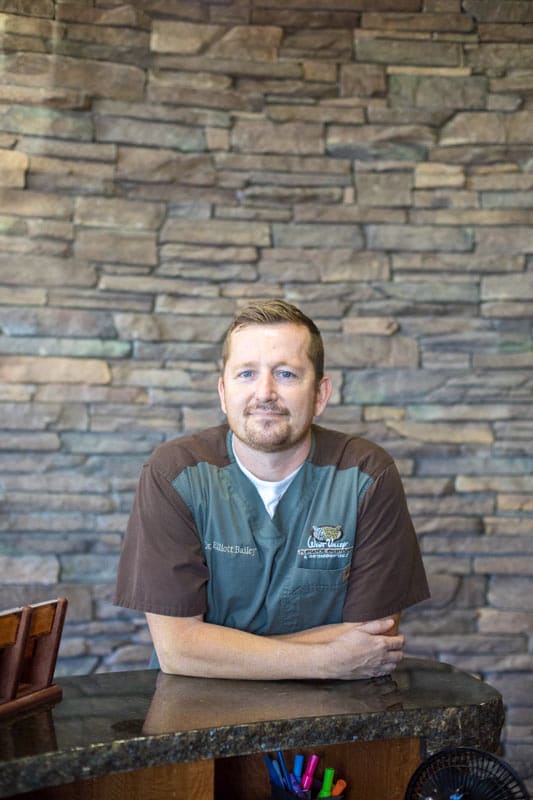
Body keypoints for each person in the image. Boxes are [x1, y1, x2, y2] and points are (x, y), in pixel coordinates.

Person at [114, 299, 429, 681]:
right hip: (196, 714)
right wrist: (326, 660)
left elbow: (373, 637)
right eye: (246, 374)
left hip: (332, 715)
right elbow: (178, 650)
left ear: (320, 394)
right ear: (222, 391)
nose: (265, 392)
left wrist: (219, 649)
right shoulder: (175, 474)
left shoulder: (366, 475)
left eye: (286, 374)